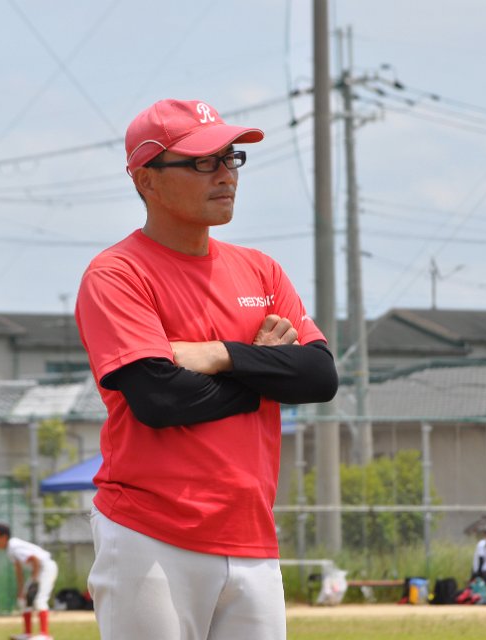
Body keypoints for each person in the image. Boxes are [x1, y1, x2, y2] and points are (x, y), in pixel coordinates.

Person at [75, 98, 339, 640]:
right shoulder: (118, 273)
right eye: (201, 161)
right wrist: (266, 372)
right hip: (150, 532)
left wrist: (221, 355)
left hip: (252, 535)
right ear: (146, 179)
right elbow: (161, 400)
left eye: (229, 158)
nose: (225, 174)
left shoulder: (261, 270)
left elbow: (319, 377)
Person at [0, 523, 58, 640]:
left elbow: (35, 560)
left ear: (4, 537)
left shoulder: (14, 547)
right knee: (23, 600)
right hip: (39, 569)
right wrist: (21, 590)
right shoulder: (9, 549)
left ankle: (45, 635)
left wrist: (34, 581)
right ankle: (27, 634)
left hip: (46, 567)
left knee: (40, 600)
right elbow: (18, 570)